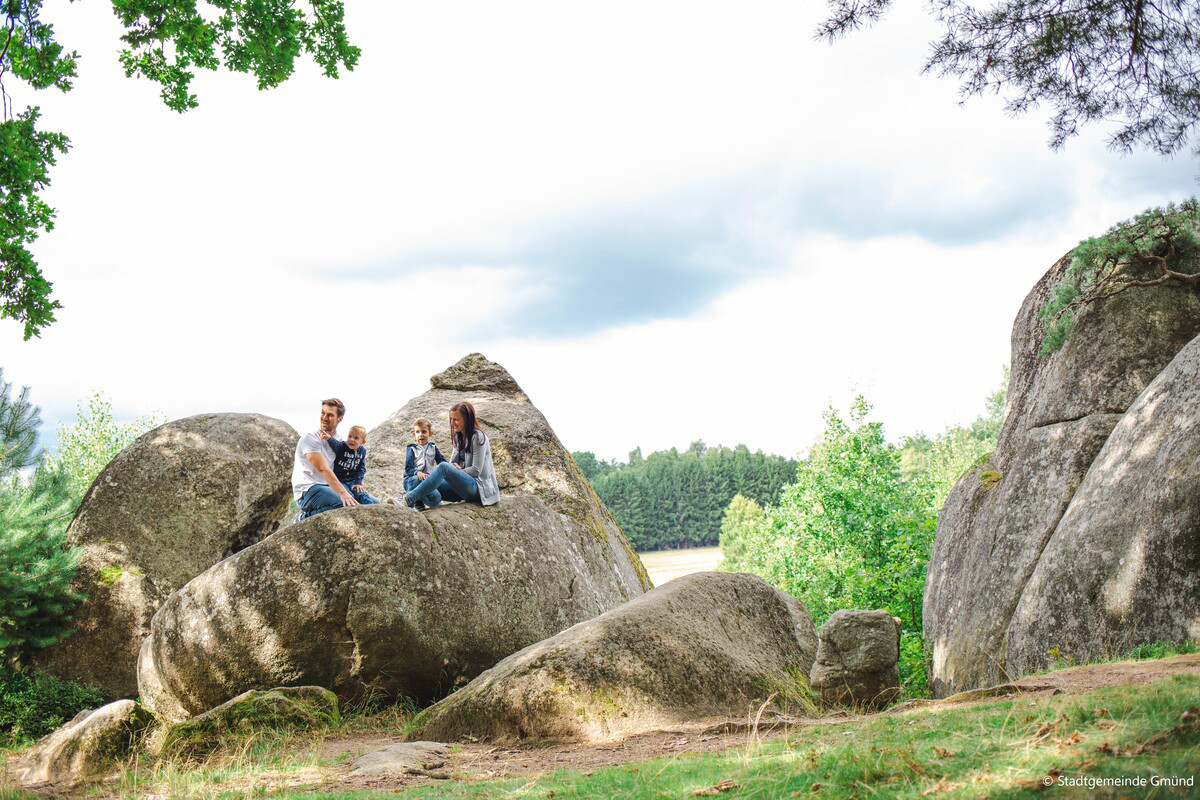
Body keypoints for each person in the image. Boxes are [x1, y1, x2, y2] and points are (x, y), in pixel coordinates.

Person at [404, 401, 499, 509]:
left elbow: (476, 470)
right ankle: (418, 502)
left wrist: (458, 470)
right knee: (427, 479)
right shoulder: (458, 437)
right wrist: (451, 469)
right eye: (451, 419)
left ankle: (408, 499)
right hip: (461, 489)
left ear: (467, 419)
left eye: (456, 419)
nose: (452, 423)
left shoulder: (478, 437)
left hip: (478, 488)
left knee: (443, 467)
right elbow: (452, 465)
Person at [291, 397, 360, 520]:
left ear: (339, 419)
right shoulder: (310, 438)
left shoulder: (339, 441)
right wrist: (343, 492)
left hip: (327, 487)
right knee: (345, 504)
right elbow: (323, 469)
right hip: (307, 490)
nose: (324, 417)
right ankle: (303, 519)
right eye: (323, 413)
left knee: (372, 503)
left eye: (330, 415)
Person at [324, 424, 379, 505]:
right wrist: (329, 438)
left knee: (361, 494)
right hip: (340, 480)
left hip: (353, 481)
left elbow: (361, 468)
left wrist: (358, 482)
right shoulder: (342, 446)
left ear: (363, 442)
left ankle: (372, 508)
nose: (351, 439)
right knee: (349, 495)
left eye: (356, 438)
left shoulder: (362, 451)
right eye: (349, 436)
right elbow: (335, 444)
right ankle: (355, 508)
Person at [403, 418, 447, 509]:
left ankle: (420, 499)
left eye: (424, 432)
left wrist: (451, 466)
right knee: (417, 479)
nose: (420, 435)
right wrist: (417, 472)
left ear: (430, 433)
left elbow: (442, 461)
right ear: (414, 434)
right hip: (412, 479)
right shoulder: (412, 448)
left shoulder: (433, 447)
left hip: (426, 481)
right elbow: (408, 468)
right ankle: (409, 503)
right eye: (417, 432)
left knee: (437, 498)